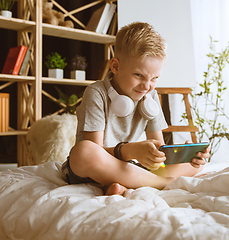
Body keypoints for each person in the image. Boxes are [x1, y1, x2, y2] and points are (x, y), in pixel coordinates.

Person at [62, 22, 210, 195]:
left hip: (130, 167)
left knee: (194, 167)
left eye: (154, 78)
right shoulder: (96, 93)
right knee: (83, 151)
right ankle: (160, 184)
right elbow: (95, 149)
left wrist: (181, 155)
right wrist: (131, 150)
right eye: (139, 75)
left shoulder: (150, 97)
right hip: (93, 168)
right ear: (115, 66)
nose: (147, 86)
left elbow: (159, 151)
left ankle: (122, 185)